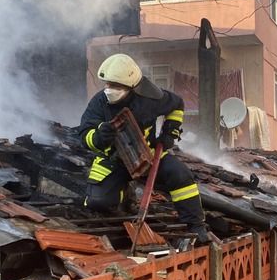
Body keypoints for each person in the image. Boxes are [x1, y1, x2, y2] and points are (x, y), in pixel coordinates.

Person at [78, 53, 210, 242]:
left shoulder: (150, 98)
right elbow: (84, 135)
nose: (109, 89)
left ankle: (196, 225)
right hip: (113, 159)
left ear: (131, 86)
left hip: (147, 155)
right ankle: (125, 199)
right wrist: (98, 136)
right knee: (98, 202)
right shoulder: (99, 102)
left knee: (180, 175)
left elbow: (177, 104)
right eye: (107, 84)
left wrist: (170, 132)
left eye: (115, 86)